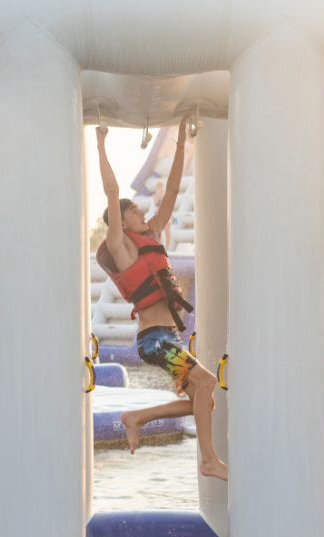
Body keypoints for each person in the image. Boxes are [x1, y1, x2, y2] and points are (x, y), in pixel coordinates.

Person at [95, 117, 228, 481]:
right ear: (121, 222)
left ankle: (137, 417)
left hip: (168, 337)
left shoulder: (152, 233)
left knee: (205, 398)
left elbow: (171, 193)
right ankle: (209, 460)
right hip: (152, 340)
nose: (142, 212)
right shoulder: (121, 247)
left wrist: (183, 139)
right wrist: (101, 143)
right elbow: (111, 190)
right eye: (133, 211)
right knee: (206, 383)